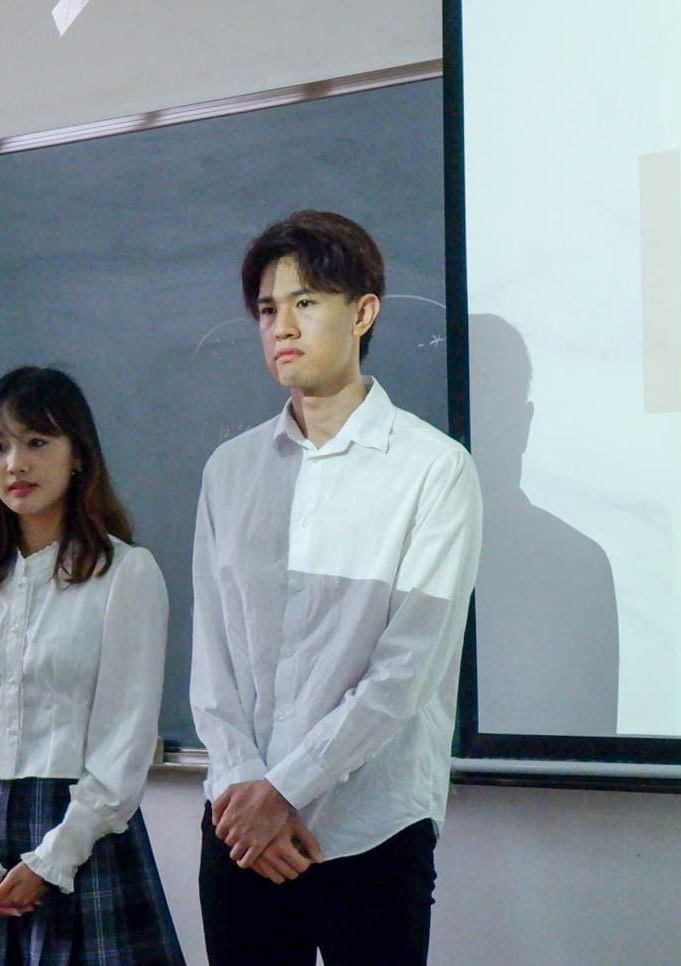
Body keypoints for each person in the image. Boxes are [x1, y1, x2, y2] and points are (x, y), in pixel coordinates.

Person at [189, 211, 483, 966]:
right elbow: (213, 655)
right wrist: (243, 787)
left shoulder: (432, 469)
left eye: (305, 302)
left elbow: (405, 672)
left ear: (362, 312)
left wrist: (284, 792)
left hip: (370, 831)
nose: (281, 327)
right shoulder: (230, 470)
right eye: (266, 309)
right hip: (238, 828)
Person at [0, 366, 185, 966]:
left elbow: (124, 740)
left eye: (37, 442)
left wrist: (52, 860)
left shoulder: (124, 574)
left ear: (78, 455)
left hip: (83, 839)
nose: (16, 464)